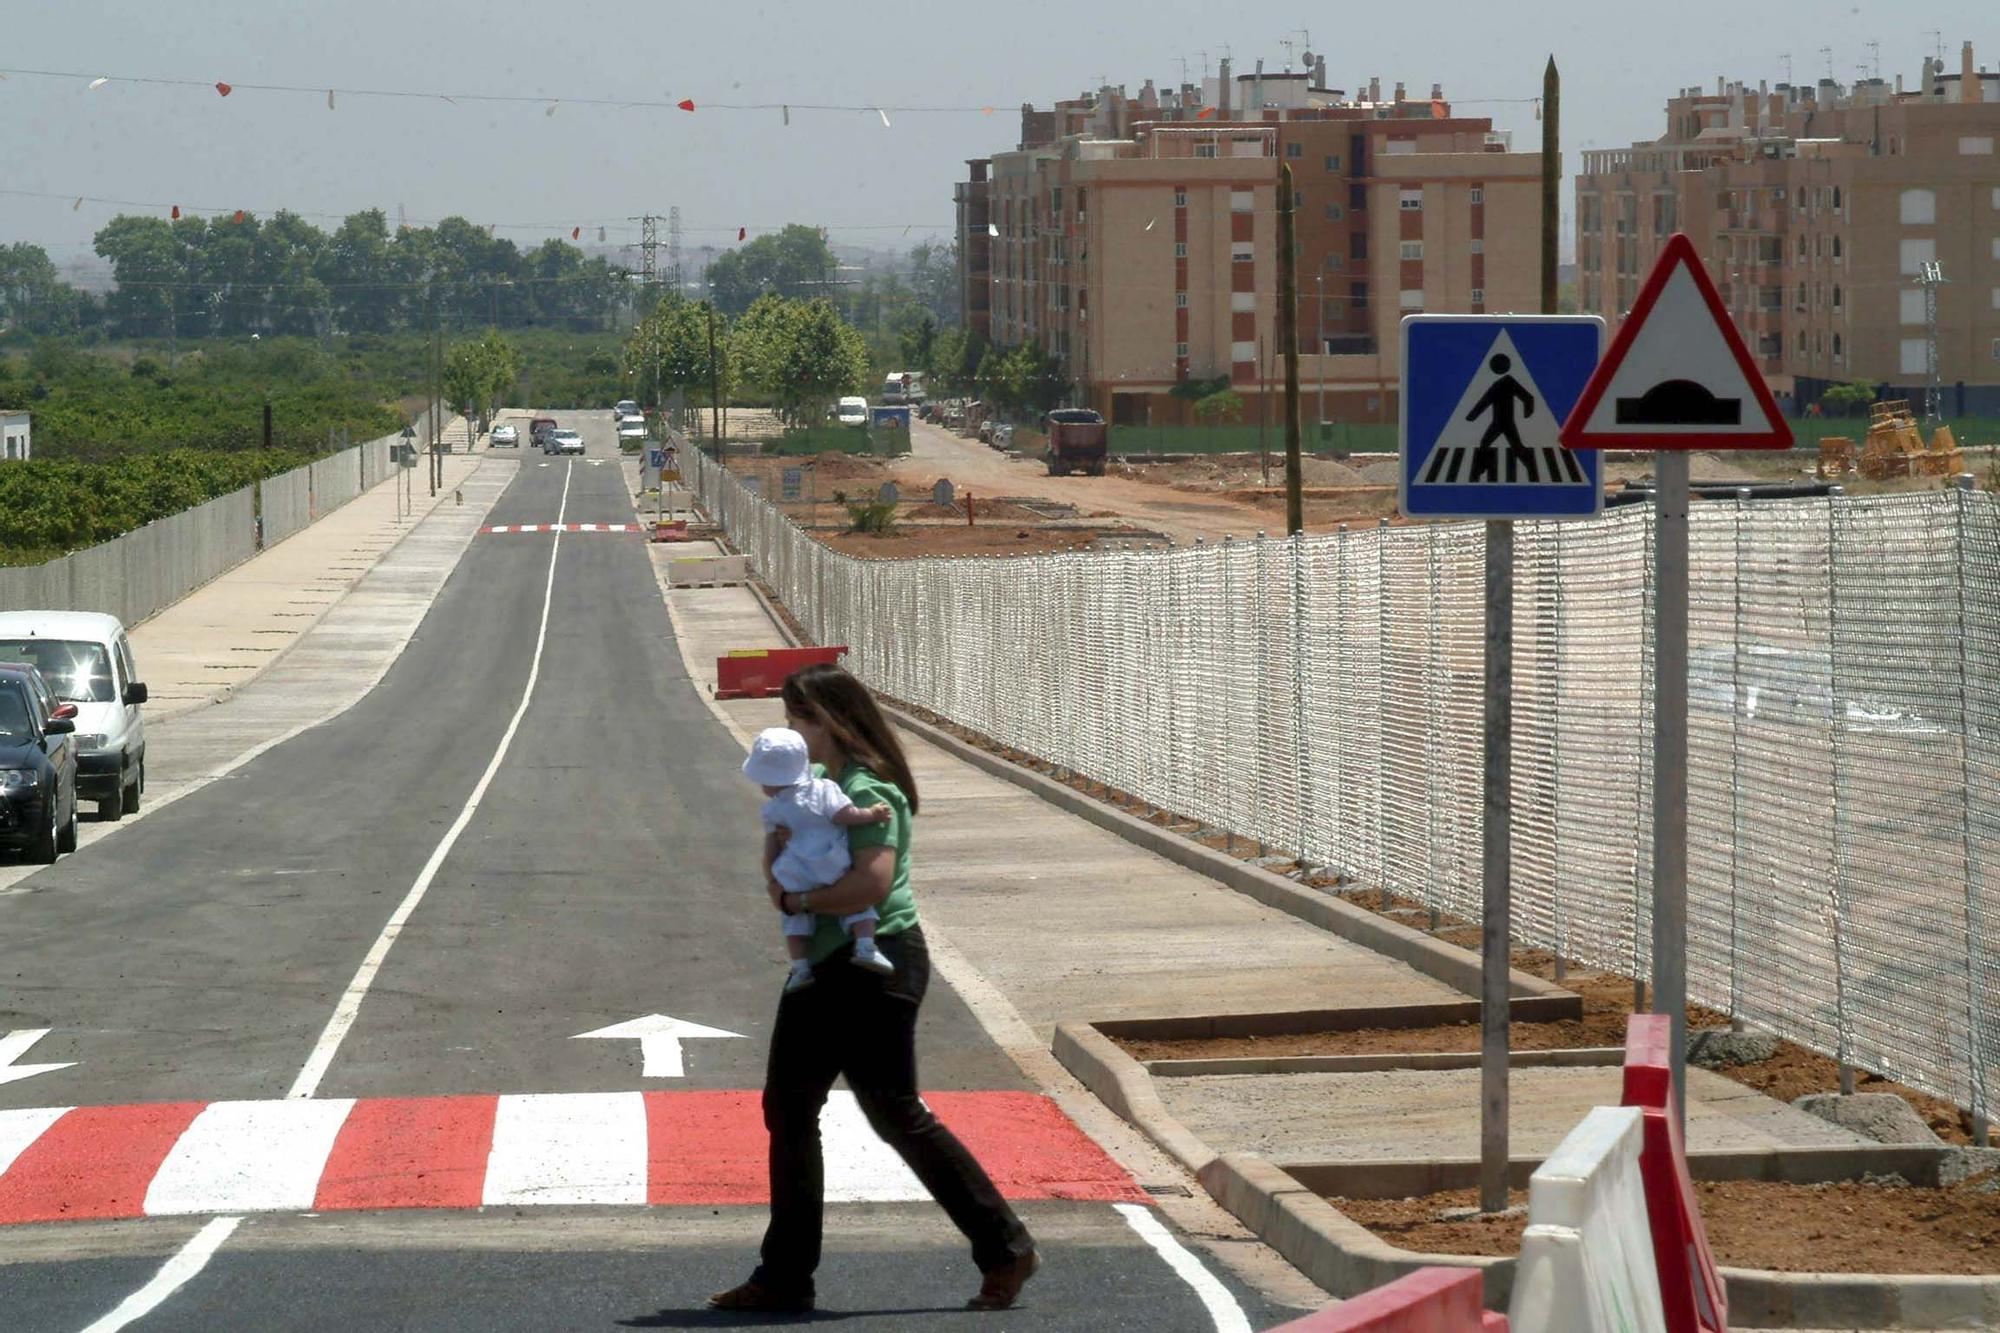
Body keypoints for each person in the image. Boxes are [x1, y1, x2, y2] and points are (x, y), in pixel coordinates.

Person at [710, 664, 1039, 1315]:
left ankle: (1006, 1246)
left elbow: (872, 883)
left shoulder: (868, 787)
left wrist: (798, 895)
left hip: (874, 964)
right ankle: (784, 1275)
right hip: (827, 964)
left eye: (797, 717)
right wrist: (780, 871)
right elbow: (777, 861)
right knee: (789, 1107)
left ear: (827, 720)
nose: (789, 730)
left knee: (894, 1111)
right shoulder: (817, 787)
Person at [742, 725, 896, 992]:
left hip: (795, 873)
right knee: (858, 907)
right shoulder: (824, 788)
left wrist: (773, 878)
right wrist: (872, 814)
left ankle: (801, 967)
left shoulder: (773, 811)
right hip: (830, 864)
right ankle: (865, 945)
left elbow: (771, 853)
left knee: (794, 922)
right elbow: (845, 816)